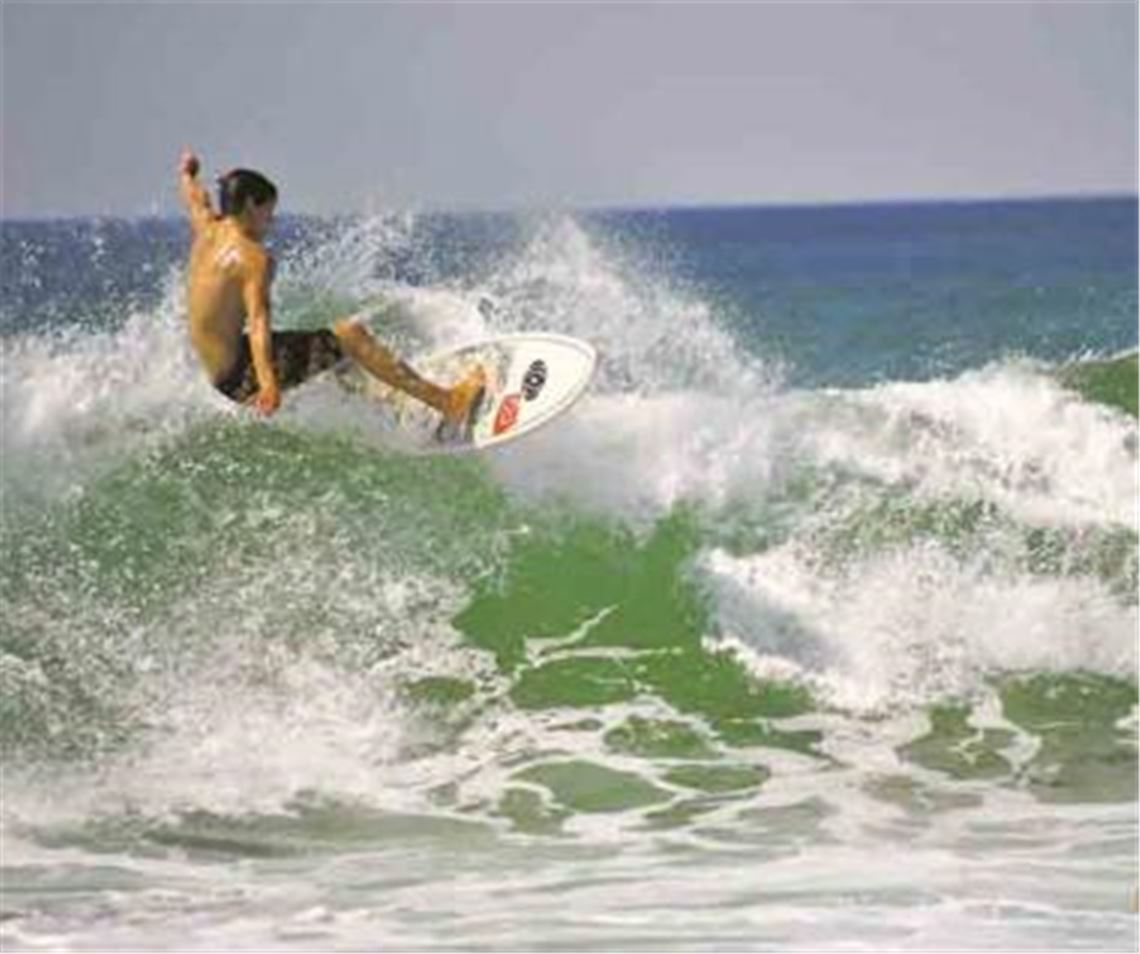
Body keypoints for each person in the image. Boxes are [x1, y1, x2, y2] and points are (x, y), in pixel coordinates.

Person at [177, 148, 485, 425]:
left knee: (325, 347)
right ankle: (450, 403)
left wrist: (188, 175)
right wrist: (268, 382)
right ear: (248, 205)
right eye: (268, 212)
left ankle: (390, 401)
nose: (270, 222)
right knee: (350, 334)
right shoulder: (252, 258)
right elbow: (258, 323)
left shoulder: (207, 229)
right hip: (243, 376)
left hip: (220, 372)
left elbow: (195, 199)